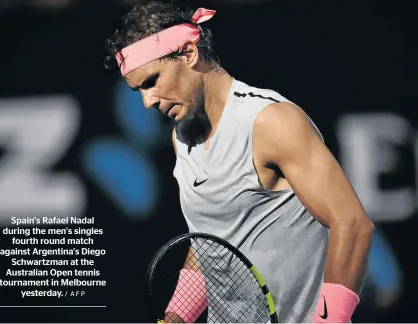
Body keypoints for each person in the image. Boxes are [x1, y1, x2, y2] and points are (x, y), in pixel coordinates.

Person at [104, 2, 374, 323]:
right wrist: (178, 317)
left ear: (188, 53)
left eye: (151, 82)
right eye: (138, 91)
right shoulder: (182, 138)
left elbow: (353, 224)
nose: (147, 101)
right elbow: (210, 244)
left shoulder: (270, 121)